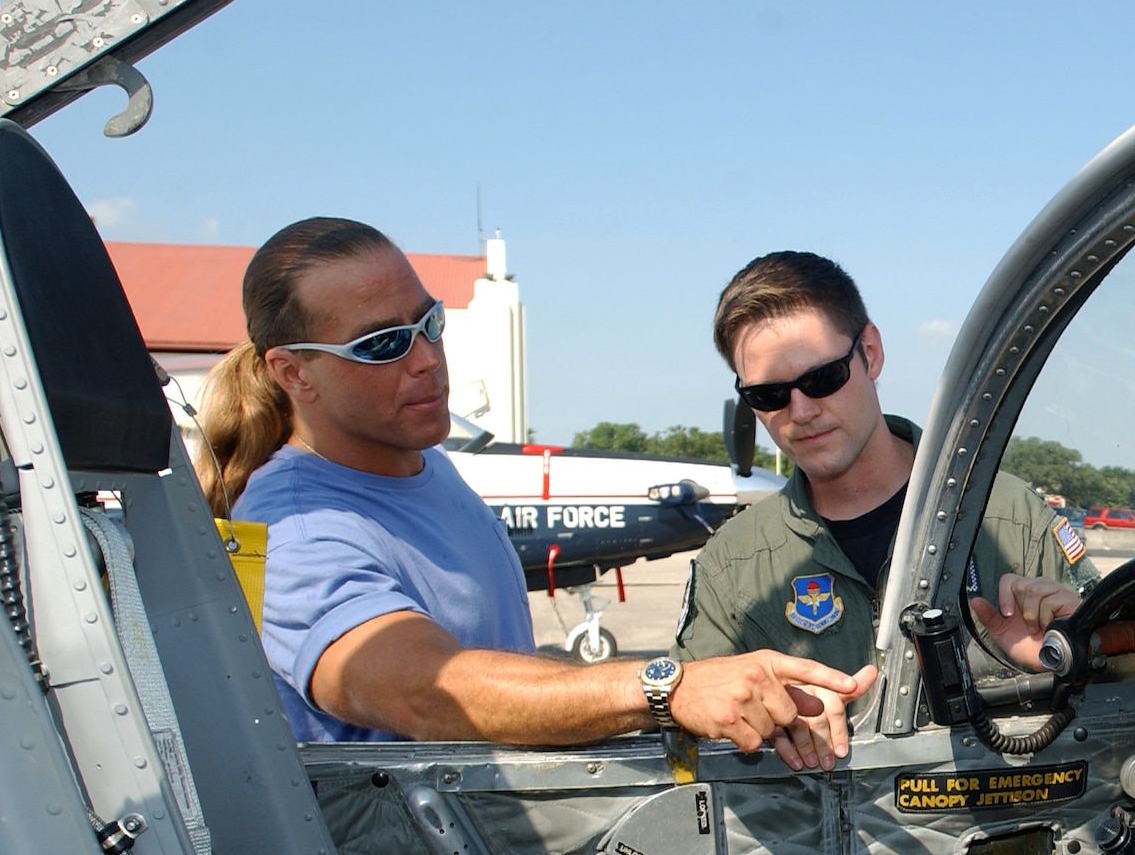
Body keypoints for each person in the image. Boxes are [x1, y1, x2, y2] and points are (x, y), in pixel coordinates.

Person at [199, 218, 870, 768]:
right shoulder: (296, 527)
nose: (427, 358)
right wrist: (668, 685)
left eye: (428, 323)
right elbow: (425, 693)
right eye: (383, 345)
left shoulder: (422, 461)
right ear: (292, 372)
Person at [672, 251, 1093, 680]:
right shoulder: (733, 566)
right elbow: (690, 717)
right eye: (769, 395)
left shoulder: (1011, 520)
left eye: (821, 379)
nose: (799, 412)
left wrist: (1078, 646)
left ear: (870, 354)